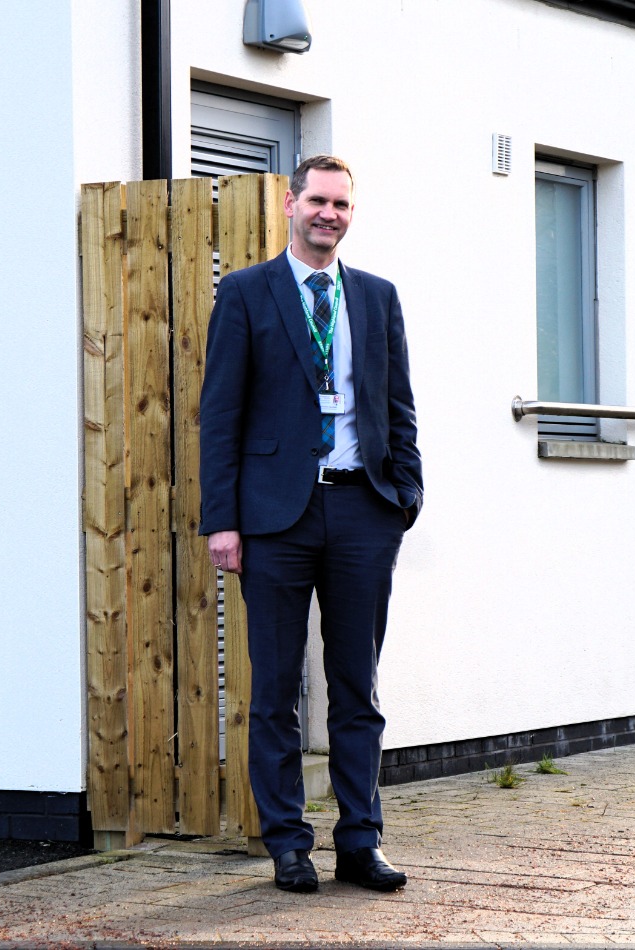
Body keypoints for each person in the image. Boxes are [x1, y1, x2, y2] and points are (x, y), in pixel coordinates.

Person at [199, 154, 422, 893]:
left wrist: (405, 497)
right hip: (274, 519)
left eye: (342, 204)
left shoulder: (377, 297)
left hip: (363, 510)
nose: (329, 214)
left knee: (357, 686)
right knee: (275, 691)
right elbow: (221, 415)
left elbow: (398, 406)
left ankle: (360, 841)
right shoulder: (246, 292)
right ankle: (288, 844)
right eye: (318, 201)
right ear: (291, 204)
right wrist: (223, 520)